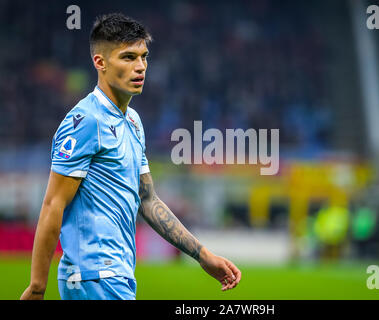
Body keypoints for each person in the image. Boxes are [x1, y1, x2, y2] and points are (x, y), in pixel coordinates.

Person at [20, 13, 241, 300]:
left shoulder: (133, 122)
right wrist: (37, 287)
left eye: (144, 57)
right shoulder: (86, 120)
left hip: (116, 276)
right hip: (95, 275)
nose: (140, 67)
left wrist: (202, 255)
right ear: (100, 63)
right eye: (128, 57)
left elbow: (148, 200)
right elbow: (53, 204)